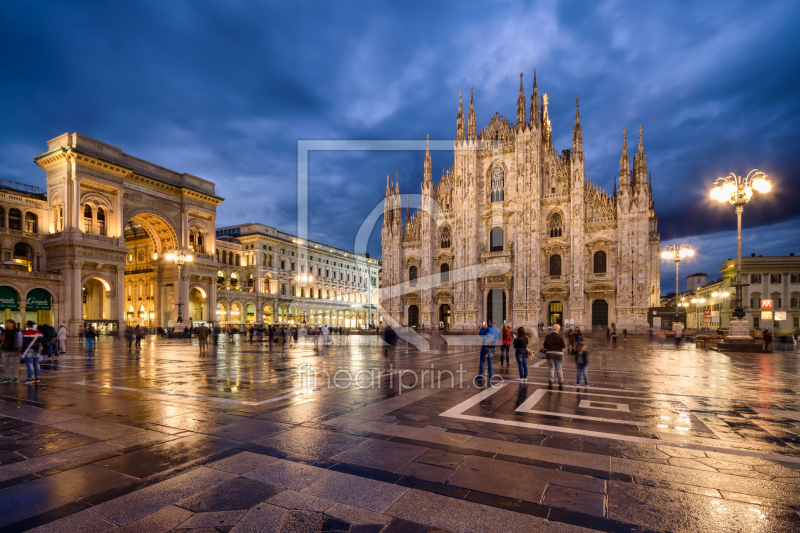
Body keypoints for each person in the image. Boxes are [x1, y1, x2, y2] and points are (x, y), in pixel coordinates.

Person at [544, 323, 566, 390]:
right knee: (559, 369)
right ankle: (561, 384)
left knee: (551, 368)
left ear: (552, 329)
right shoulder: (560, 337)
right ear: (558, 330)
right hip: (559, 354)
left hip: (550, 353)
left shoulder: (547, 336)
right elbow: (564, 346)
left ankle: (550, 384)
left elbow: (545, 345)